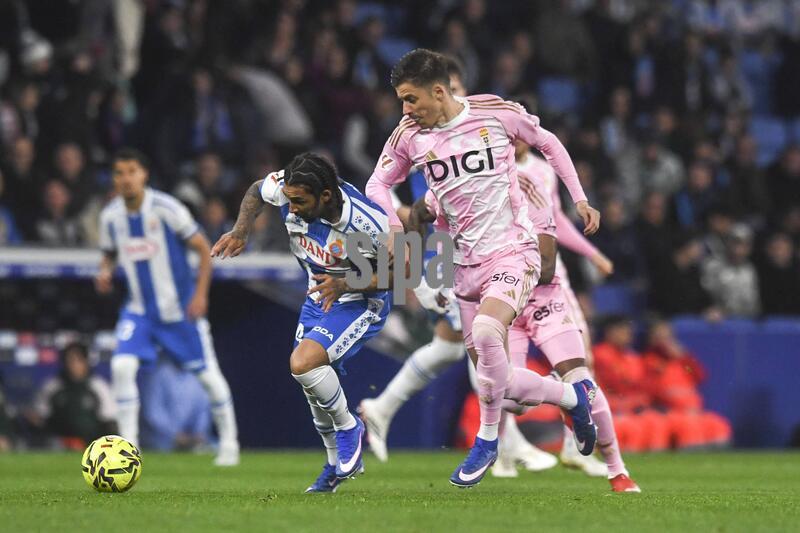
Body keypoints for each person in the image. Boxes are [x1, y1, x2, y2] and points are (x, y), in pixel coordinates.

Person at [365, 48, 601, 488]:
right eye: (401, 100)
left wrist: (580, 197)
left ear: (439, 91)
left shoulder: (495, 112)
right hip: (463, 266)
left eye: (411, 99)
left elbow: (548, 142)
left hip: (514, 252)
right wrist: (394, 226)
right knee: (499, 383)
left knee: (489, 334)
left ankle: (487, 441)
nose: (405, 109)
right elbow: (377, 182)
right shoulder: (408, 136)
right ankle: (573, 397)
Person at [211, 152, 392, 493]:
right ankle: (333, 468)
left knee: (303, 363)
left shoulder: (365, 223)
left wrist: (344, 283)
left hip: (360, 300)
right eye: (289, 200)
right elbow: (255, 190)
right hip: (317, 296)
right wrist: (241, 230)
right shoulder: (286, 187)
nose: (290, 208)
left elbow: (399, 274)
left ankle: (350, 427)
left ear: (325, 196)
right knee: (312, 386)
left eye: (299, 202)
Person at [95, 147, 240, 466]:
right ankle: (128, 449)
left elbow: (204, 249)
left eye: (132, 171)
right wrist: (105, 270)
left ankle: (229, 443)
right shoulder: (110, 217)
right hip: (140, 311)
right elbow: (109, 252)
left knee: (209, 378)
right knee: (121, 367)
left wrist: (200, 295)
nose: (126, 179)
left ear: (144, 175)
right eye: (119, 173)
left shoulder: (167, 209)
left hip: (180, 311)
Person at [31, 341, 116, 448]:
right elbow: (40, 418)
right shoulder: (52, 386)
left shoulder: (98, 386)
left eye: (78, 360)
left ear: (86, 362)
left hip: (93, 445)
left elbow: (109, 421)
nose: (73, 365)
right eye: (69, 360)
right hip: (58, 445)